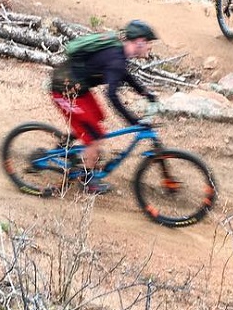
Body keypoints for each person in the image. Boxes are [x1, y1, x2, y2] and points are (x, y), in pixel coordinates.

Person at [50, 20, 160, 195]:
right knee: (95, 136)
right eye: (148, 42)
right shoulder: (117, 60)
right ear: (139, 41)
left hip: (77, 87)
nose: (149, 47)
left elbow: (124, 75)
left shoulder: (119, 54)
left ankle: (69, 148)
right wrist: (133, 121)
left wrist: (145, 92)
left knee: (98, 118)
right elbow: (112, 96)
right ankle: (87, 181)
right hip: (63, 90)